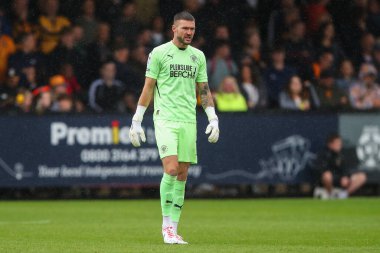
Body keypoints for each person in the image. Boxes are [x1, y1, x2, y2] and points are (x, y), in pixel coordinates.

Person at [128, 11, 219, 244]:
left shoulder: (198, 56)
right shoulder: (159, 53)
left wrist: (212, 117)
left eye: (192, 29)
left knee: (182, 174)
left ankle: (174, 228)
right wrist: (136, 120)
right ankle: (165, 225)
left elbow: (204, 89)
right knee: (170, 169)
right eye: (185, 28)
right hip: (165, 118)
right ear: (174, 29)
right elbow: (148, 87)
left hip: (189, 119)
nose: (189, 32)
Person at [315, 133, 367, 199]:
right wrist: (335, 177)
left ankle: (344, 195)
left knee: (361, 177)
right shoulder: (322, 155)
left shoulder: (341, 155)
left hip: (340, 180)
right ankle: (332, 195)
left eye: (340, 143)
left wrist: (345, 177)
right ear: (330, 144)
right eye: (337, 143)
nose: (339, 145)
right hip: (328, 182)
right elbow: (321, 171)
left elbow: (345, 169)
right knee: (327, 176)